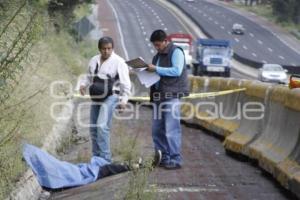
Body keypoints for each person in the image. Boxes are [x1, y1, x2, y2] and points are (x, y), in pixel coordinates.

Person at [79, 36, 131, 162]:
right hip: (96, 96)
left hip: (111, 96)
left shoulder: (119, 62)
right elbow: (88, 76)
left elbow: (126, 83)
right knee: (93, 127)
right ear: (99, 49)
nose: (106, 51)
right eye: (104, 49)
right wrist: (83, 85)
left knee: (102, 126)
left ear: (112, 49)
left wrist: (124, 100)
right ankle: (96, 157)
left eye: (109, 49)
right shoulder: (94, 60)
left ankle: (105, 159)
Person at [146, 30, 189, 170]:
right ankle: (162, 158)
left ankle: (175, 159)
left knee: (171, 129)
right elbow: (156, 73)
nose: (156, 48)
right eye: (155, 46)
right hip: (158, 96)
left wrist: (156, 69)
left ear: (166, 41)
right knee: (157, 130)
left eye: (158, 45)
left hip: (171, 96)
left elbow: (176, 71)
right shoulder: (157, 56)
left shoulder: (176, 52)